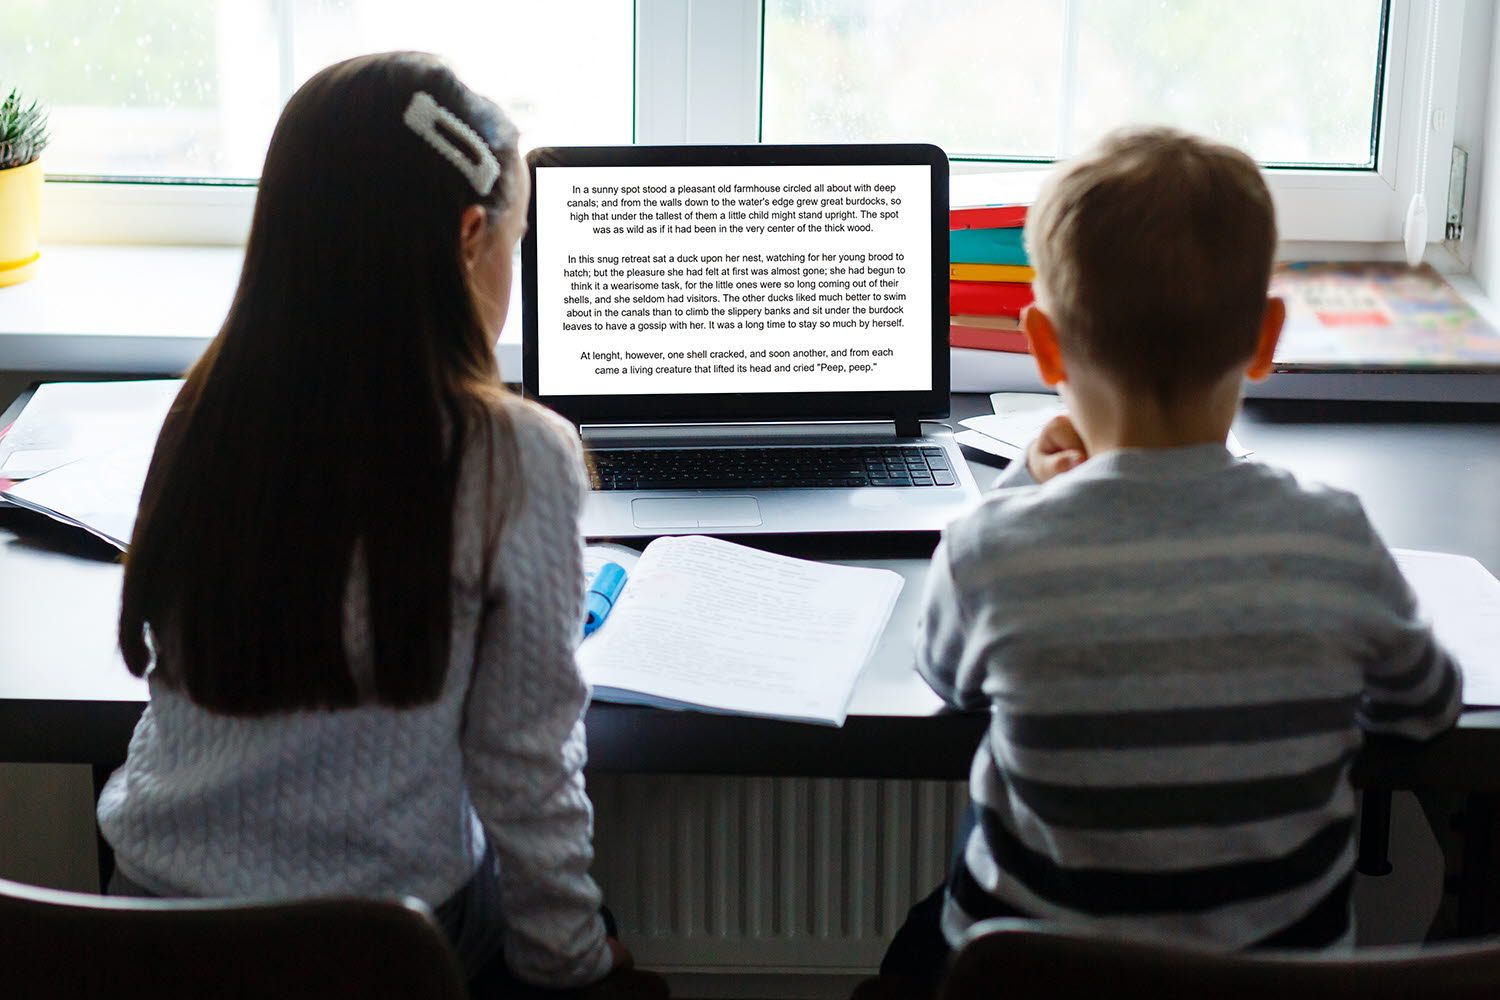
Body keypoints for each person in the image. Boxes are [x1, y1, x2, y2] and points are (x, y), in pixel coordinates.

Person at [99, 52, 650, 996]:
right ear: (471, 236)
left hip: (143, 930)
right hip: (381, 952)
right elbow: (527, 774)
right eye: (514, 244)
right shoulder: (514, 455)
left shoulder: (206, 412)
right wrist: (580, 969)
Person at [878, 127, 1463, 990]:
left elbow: (944, 677)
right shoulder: (1333, 538)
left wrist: (1019, 491)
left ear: (1043, 347)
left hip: (1030, 979)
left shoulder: (990, 551)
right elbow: (1427, 703)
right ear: (1265, 340)